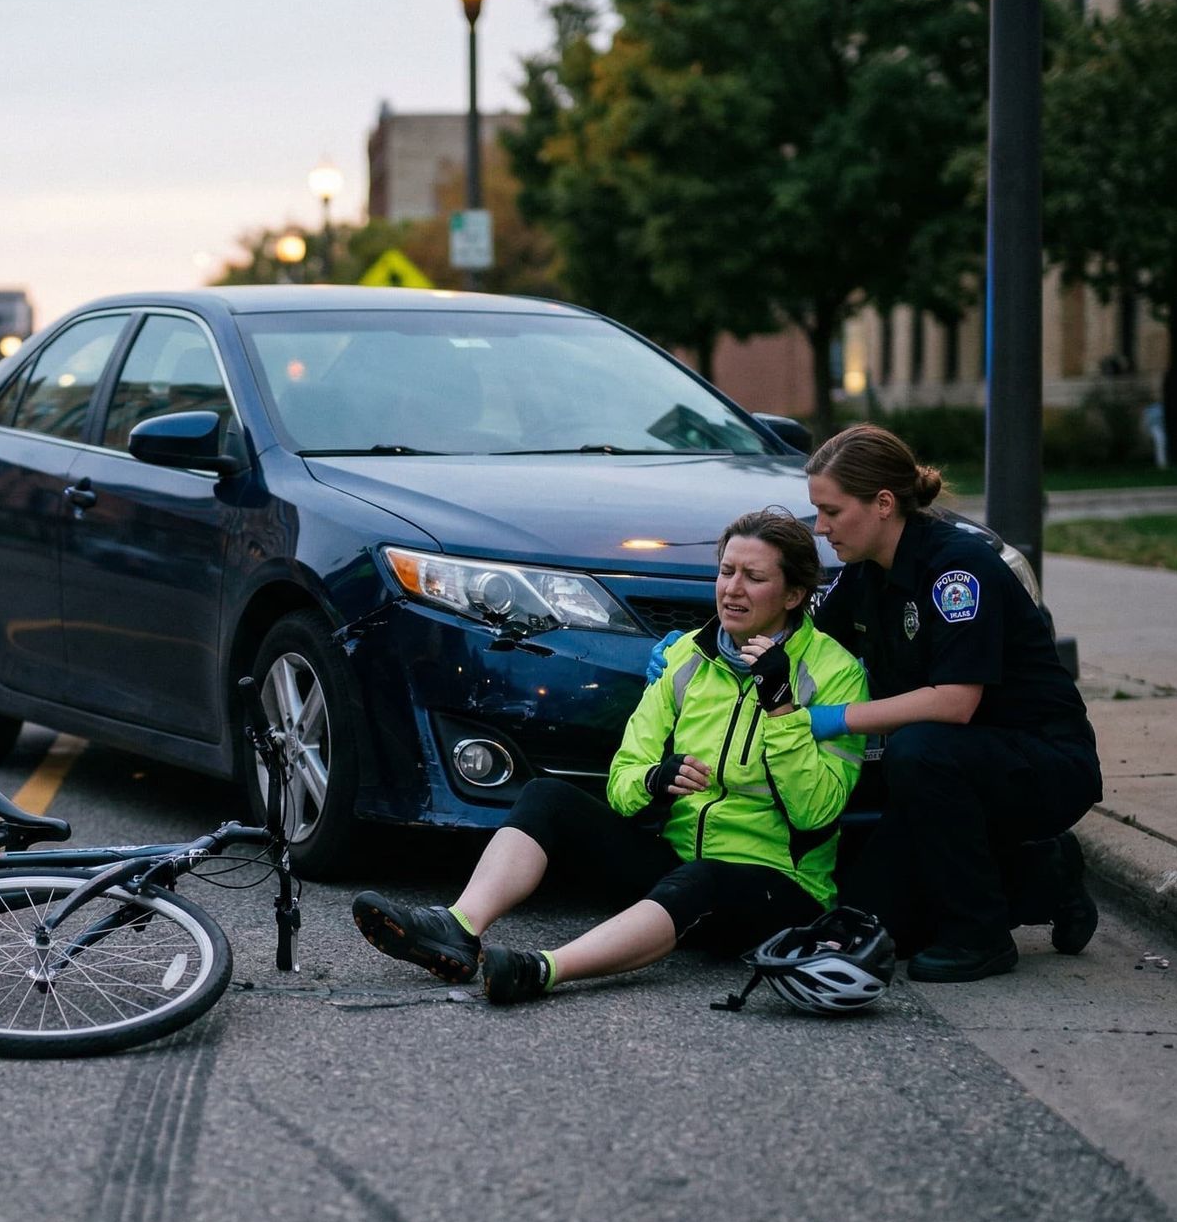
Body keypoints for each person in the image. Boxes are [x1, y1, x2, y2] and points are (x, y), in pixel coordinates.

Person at [352, 509, 869, 1004]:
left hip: (779, 892)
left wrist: (780, 709)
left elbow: (816, 812)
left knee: (702, 879)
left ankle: (545, 969)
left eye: (753, 577)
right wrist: (655, 781)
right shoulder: (686, 655)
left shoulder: (835, 672)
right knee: (546, 796)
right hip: (679, 871)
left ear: (795, 593)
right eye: (726, 571)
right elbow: (621, 785)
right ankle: (459, 927)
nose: (732, 589)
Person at [801, 424, 1102, 981]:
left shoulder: (958, 569)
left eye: (831, 512)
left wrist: (832, 719)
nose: (821, 528)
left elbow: (957, 702)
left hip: (1042, 761)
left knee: (918, 749)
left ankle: (981, 938)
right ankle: (1044, 871)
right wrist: (714, 646)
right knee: (872, 920)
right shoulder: (866, 574)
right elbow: (805, 646)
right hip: (955, 770)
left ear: (883, 504)